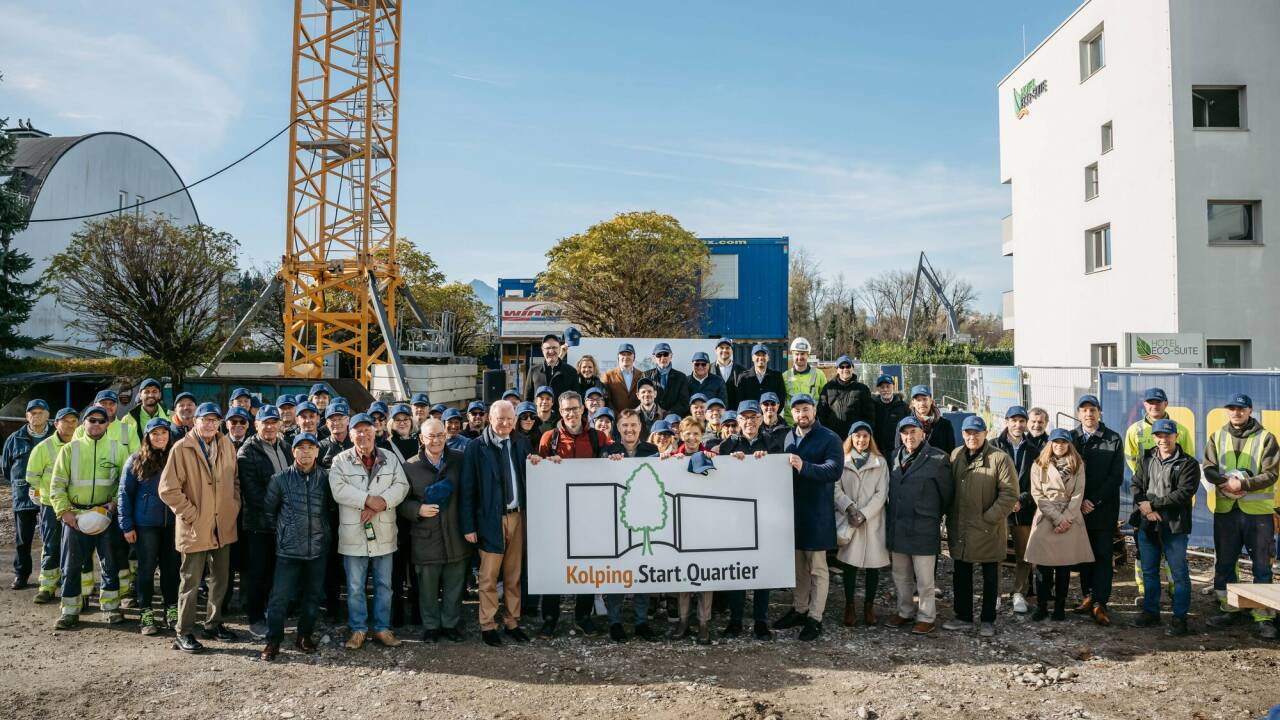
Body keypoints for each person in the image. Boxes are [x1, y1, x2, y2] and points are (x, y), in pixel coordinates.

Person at [159, 402, 241, 652]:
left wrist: (232, 507)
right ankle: (183, 631)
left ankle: (213, 624)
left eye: (215, 420)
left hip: (222, 525)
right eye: (205, 420)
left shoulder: (226, 444)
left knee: (220, 579)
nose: (210, 424)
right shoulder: (181, 448)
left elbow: (234, 481)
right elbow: (167, 489)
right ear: (194, 421)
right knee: (191, 581)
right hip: (195, 526)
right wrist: (192, 514)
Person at [461, 400, 543, 646]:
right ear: (489, 418)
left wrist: (543, 463)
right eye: (500, 419)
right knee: (488, 577)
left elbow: (531, 474)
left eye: (510, 419)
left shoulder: (521, 443)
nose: (505, 423)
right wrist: (469, 526)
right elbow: (467, 489)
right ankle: (488, 625)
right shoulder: (476, 448)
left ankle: (512, 621)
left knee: (513, 574)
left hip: (518, 516)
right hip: (489, 519)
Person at [328, 412, 409, 649]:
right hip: (354, 534)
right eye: (358, 430)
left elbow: (401, 486)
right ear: (350, 434)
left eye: (367, 430)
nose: (362, 434)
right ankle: (358, 629)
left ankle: (382, 628)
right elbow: (338, 489)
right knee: (354, 586)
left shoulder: (390, 458)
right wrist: (367, 500)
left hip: (384, 532)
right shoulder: (340, 461)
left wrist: (381, 503)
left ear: (375, 431)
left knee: (385, 584)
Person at [48, 404, 131, 629]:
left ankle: (111, 608)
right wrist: (64, 512)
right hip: (75, 516)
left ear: (107, 424)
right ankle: (70, 611)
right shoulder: (69, 450)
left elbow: (123, 484)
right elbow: (56, 485)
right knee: (71, 565)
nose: (96, 424)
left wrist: (113, 505)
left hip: (106, 515)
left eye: (100, 420)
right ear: (84, 422)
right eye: (91, 420)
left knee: (110, 563)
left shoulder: (118, 449)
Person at [1203, 393, 1278, 638]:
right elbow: (1208, 468)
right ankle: (1229, 608)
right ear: (1227, 411)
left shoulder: (1266, 438)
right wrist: (1225, 482)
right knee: (1225, 564)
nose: (1236, 412)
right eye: (1232, 408)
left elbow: (1271, 474)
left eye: (1241, 408)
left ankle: (1264, 616)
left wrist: (1242, 485)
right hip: (1227, 512)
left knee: (1261, 566)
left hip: (1258, 515)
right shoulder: (1217, 436)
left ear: (1250, 410)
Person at [538, 391, 610, 636]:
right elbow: (538, 468)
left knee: (587, 564)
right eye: (566, 409)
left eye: (574, 408)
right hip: (557, 513)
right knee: (553, 563)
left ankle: (582, 615)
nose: (571, 413)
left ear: (583, 409)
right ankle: (550, 616)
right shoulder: (550, 438)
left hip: (589, 514)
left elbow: (612, 459)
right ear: (560, 411)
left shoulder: (597, 436)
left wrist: (616, 456)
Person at [773, 394, 843, 641]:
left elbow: (834, 470)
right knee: (799, 568)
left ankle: (815, 617)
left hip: (817, 514)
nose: (802, 414)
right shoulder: (790, 436)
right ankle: (800, 608)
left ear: (813, 411)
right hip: (794, 514)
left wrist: (805, 467)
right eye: (797, 410)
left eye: (806, 409)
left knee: (818, 569)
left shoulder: (829, 438)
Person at [943, 416, 1017, 637]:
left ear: (985, 433)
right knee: (961, 574)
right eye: (968, 433)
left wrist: (990, 517)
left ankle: (988, 620)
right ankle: (963, 617)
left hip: (987, 528)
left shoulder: (999, 458)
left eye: (976, 433)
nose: (971, 437)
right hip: (961, 526)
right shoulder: (956, 455)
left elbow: (1009, 493)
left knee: (990, 576)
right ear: (963, 434)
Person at [259, 432, 330, 660]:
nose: (306, 451)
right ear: (293, 451)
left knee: (312, 597)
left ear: (317, 451)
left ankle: (304, 636)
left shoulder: (326, 478)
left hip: (317, 549)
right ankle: (273, 640)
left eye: (311, 447)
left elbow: (331, 509)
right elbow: (269, 513)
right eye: (301, 447)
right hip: (288, 551)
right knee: (279, 598)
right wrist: (285, 533)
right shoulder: (279, 479)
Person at [398, 419, 469, 643]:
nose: (436, 440)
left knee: (454, 584)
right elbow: (400, 501)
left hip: (455, 534)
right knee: (427, 587)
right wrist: (417, 509)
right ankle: (431, 626)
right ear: (421, 438)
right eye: (431, 436)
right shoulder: (410, 466)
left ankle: (450, 624)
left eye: (440, 435)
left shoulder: (459, 460)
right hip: (425, 537)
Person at [1123, 388, 1195, 602]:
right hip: (1144, 504)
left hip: (1171, 510)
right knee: (1144, 555)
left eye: (1158, 402)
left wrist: (1156, 504)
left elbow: (1186, 465)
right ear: (1144, 405)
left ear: (1166, 404)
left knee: (1175, 560)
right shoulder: (1134, 430)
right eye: (1150, 402)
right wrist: (1145, 502)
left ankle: (1175, 592)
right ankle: (1146, 594)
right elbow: (1134, 466)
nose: (1154, 406)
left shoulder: (1181, 429)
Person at [883, 416, 953, 635]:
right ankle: (904, 612)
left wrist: (930, 514)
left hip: (923, 527)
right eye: (904, 433)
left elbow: (947, 496)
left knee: (924, 579)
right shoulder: (894, 456)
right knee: (900, 575)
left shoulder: (938, 458)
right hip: (898, 526)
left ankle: (926, 616)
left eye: (913, 432)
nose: (909, 437)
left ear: (922, 432)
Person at [1130, 419, 1198, 636]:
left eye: (1168, 435)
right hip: (1147, 523)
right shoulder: (1147, 458)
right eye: (1159, 435)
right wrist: (1146, 508)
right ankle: (1151, 612)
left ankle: (1180, 618)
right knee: (1149, 571)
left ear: (1176, 436)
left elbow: (1184, 493)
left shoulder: (1188, 463)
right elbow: (1135, 485)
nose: (1163, 439)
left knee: (1179, 573)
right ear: (1155, 437)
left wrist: (1154, 504)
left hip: (1174, 526)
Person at [716, 400, 776, 640]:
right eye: (744, 418)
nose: (749, 422)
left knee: (763, 570)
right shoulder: (726, 446)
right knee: (737, 570)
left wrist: (768, 458)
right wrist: (730, 460)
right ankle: (736, 620)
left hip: (766, 517)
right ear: (737, 421)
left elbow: (780, 471)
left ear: (761, 420)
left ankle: (760, 621)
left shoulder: (772, 443)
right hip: (735, 519)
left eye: (753, 418)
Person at [118, 418, 179, 636]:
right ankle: (146, 612)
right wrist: (126, 525)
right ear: (147, 437)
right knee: (146, 569)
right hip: (145, 525)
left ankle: (171, 609)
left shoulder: (177, 456)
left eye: (164, 433)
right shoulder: (135, 460)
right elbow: (124, 494)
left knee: (171, 569)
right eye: (155, 433)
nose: (160, 437)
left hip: (172, 523)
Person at [1026, 429, 1093, 621]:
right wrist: (1057, 518)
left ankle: (1060, 608)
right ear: (1050, 444)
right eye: (1056, 442)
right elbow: (1037, 494)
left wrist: (1066, 519)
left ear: (1069, 444)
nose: (1059, 445)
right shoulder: (1039, 464)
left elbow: (1078, 494)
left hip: (1070, 516)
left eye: (1063, 442)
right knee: (1042, 566)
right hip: (1047, 516)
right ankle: (1041, 606)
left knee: (1064, 567)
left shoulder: (1078, 464)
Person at [1069, 394, 1124, 627]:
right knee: (1083, 556)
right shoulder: (1071, 438)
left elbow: (1116, 476)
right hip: (1077, 508)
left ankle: (1100, 602)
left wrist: (1093, 501)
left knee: (1102, 556)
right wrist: (1078, 502)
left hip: (1102, 510)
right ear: (1079, 414)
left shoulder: (1113, 438)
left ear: (1099, 413)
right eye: (1084, 410)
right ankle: (1088, 596)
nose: (1089, 414)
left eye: (1093, 410)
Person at [236, 405, 290, 639]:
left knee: (274, 571)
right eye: (264, 422)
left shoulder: (285, 447)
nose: (269, 427)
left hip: (282, 522)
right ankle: (255, 618)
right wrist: (280, 508)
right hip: (259, 523)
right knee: (257, 572)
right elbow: (253, 492)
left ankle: (271, 612)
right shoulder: (247, 452)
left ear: (280, 424)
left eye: (273, 422)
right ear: (256, 425)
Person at [833, 421, 889, 628]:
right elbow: (835, 488)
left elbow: (881, 493)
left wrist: (864, 514)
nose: (861, 440)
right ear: (851, 438)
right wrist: (849, 508)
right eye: (857, 436)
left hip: (871, 520)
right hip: (850, 518)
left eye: (865, 436)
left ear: (870, 439)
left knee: (872, 567)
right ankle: (849, 606)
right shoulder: (842, 460)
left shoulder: (879, 462)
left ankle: (869, 606)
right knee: (850, 565)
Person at [993, 405, 1045, 614]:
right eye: (1013, 420)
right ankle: (994, 594)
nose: (1018, 424)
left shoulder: (1034, 449)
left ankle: (1019, 593)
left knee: (1024, 554)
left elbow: (1037, 482)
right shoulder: (994, 446)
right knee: (995, 553)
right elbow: (989, 478)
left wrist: (1021, 500)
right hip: (998, 508)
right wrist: (1004, 500)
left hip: (1022, 509)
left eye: (1021, 421)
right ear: (1006, 422)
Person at [24, 407, 79, 604]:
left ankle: (71, 585)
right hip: (51, 506)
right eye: (65, 421)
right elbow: (32, 477)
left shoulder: (82, 444)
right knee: (51, 545)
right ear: (56, 424)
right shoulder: (43, 447)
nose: (70, 424)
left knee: (74, 548)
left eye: (74, 421)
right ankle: (47, 587)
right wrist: (40, 494)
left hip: (76, 506)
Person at [3, 399, 50, 590]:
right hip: (23, 497)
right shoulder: (14, 439)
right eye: (32, 412)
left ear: (48, 415)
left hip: (50, 496)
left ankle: (53, 575)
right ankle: (21, 574)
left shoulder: (56, 437)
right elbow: (6, 469)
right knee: (23, 539)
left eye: (40, 412)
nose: (36, 416)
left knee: (52, 538)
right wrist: (21, 484)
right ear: (26, 416)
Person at [818, 356, 874, 440]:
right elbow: (821, 413)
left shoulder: (862, 389)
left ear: (852, 368)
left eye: (848, 366)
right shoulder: (828, 388)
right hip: (832, 437)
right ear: (837, 369)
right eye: (842, 367)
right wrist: (825, 433)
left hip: (855, 438)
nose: (845, 369)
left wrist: (863, 434)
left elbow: (870, 415)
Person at [780, 338, 826, 423]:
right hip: (791, 425)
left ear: (808, 355)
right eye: (796, 354)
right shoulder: (785, 376)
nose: (799, 357)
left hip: (812, 424)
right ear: (792, 355)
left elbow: (825, 401)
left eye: (802, 354)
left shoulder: (819, 375)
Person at [524, 334, 579, 403]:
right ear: (542, 350)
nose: (551, 351)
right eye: (548, 348)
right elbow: (527, 398)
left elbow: (575, 398)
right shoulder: (534, 370)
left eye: (554, 347)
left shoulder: (571, 371)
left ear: (559, 349)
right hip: (539, 413)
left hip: (562, 413)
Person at [643, 342, 691, 417]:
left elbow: (684, 402)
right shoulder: (645, 376)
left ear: (671, 356)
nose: (663, 358)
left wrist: (669, 413)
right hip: (652, 418)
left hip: (674, 419)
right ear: (654, 358)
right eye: (659, 355)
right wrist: (657, 411)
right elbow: (642, 398)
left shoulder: (681, 377)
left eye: (666, 354)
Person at [906, 385, 955, 455]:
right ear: (913, 403)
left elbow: (950, 453)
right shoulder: (905, 425)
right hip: (914, 465)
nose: (922, 403)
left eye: (925, 399)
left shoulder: (945, 425)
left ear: (931, 401)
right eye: (918, 400)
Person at [121, 378, 169, 447]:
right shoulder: (126, 420)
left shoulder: (171, 416)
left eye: (154, 391)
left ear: (160, 395)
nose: (150, 395)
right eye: (147, 392)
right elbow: (123, 445)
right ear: (140, 395)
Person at [871, 376, 908, 457]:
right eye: (882, 387)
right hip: (877, 451)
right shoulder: (872, 405)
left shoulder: (903, 406)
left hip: (897, 451)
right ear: (878, 389)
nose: (885, 390)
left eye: (888, 386)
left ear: (893, 387)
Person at [601, 343, 641, 411]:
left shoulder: (642, 375)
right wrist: (617, 416)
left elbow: (644, 397)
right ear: (618, 357)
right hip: (616, 419)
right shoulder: (608, 376)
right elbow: (606, 400)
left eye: (629, 354)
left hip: (637, 418)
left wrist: (636, 413)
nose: (626, 357)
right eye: (623, 354)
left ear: (634, 357)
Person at [712, 338, 746, 408]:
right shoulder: (708, 369)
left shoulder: (742, 371)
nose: (724, 350)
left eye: (727, 348)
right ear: (715, 351)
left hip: (735, 415)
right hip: (715, 414)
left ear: (732, 351)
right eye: (721, 348)